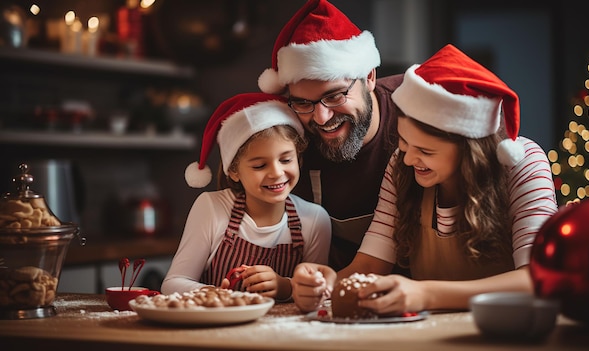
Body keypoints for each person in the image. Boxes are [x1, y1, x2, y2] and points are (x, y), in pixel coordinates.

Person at [290, 44, 559, 314]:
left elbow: (537, 278)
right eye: (405, 143)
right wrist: (328, 284)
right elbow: (371, 266)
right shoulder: (401, 166)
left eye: (425, 150)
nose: (407, 159)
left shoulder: (522, 165)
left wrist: (427, 294)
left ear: (470, 148)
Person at [258, 0, 404, 271]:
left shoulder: (418, 112)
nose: (321, 118)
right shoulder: (289, 140)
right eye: (303, 103)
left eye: (334, 96)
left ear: (369, 76)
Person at [161, 93, 331, 302]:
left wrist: (285, 286)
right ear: (233, 170)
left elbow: (317, 294)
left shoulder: (314, 220)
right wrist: (217, 295)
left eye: (286, 159)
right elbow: (173, 283)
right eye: (260, 165)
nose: (277, 173)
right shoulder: (212, 208)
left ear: (298, 158)